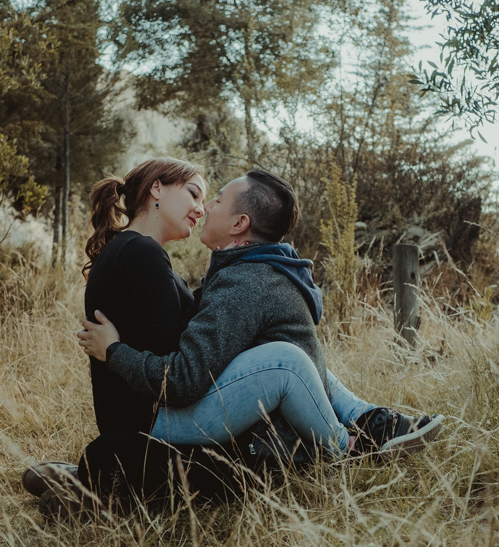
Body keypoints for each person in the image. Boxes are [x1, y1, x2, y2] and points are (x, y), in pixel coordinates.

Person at [23, 159, 441, 511]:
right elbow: (183, 372)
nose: (202, 208)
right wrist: (114, 351)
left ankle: (369, 423)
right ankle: (347, 447)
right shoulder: (144, 253)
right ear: (155, 190)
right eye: (194, 193)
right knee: (287, 361)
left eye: (211, 199)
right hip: (155, 414)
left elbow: (186, 340)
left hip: (154, 408)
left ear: (240, 223)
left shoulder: (150, 256)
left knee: (283, 355)